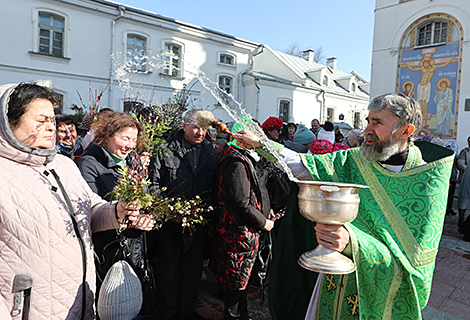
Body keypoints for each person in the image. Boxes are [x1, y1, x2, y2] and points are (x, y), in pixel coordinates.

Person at [232, 93, 454, 319]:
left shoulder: (427, 180)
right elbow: (306, 166)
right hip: (335, 280)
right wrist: (262, 144)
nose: (367, 129)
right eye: (368, 121)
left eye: (377, 123)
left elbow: (415, 264)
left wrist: (352, 243)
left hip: (381, 294)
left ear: (406, 131)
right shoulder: (358, 159)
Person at [0, 82, 153, 319]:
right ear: (8, 123)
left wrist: (117, 211)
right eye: (41, 121)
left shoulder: (64, 165)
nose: (50, 127)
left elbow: (90, 210)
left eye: (52, 119)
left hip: (78, 299)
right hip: (29, 309)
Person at [148, 109, 218, 320]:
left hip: (198, 223)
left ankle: (187, 312)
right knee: (168, 272)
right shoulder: (164, 150)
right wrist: (168, 210)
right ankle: (166, 313)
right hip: (170, 224)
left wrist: (210, 218)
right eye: (196, 127)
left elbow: (214, 187)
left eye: (204, 129)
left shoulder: (210, 152)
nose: (200, 133)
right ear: (183, 124)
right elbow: (153, 185)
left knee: (192, 271)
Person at [75, 111, 153, 294]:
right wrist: (125, 215)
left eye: (134, 140)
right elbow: (91, 210)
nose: (130, 146)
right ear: (108, 135)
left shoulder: (133, 160)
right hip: (107, 248)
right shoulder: (88, 164)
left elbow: (146, 195)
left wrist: (146, 215)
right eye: (125, 138)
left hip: (134, 244)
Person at [211, 123, 274, 320]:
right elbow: (241, 203)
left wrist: (266, 209)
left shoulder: (244, 156)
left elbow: (257, 190)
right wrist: (263, 222)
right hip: (238, 233)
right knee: (235, 287)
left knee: (241, 285)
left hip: (245, 232)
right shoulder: (235, 162)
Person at [443, 139, 459, 216]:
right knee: (446, 194)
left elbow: (457, 166)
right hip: (447, 177)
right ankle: (445, 209)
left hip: (453, 177)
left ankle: (449, 208)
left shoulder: (455, 156)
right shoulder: (445, 156)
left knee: (451, 195)